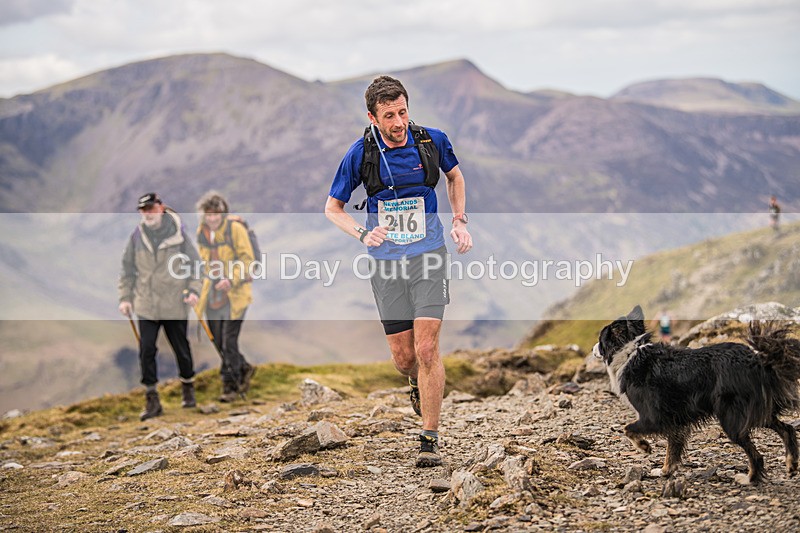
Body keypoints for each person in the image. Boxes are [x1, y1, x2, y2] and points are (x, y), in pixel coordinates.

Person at [324, 76, 473, 467]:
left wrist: (459, 220)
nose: (399, 122)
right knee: (405, 358)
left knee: (427, 349)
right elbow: (333, 208)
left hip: (429, 255)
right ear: (372, 117)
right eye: (389, 116)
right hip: (386, 263)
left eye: (403, 112)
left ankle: (429, 438)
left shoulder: (431, 141)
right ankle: (414, 380)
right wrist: (363, 234)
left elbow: (454, 176)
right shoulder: (360, 154)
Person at [118, 192, 202, 420]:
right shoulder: (136, 237)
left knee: (181, 349)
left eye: (150, 209)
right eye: (143, 210)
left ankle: (188, 389)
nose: (147, 214)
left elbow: (196, 266)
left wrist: (193, 290)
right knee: (146, 350)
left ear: (161, 208)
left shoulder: (179, 235)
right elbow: (127, 270)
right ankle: (152, 399)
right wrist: (125, 298)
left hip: (175, 302)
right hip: (146, 305)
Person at [195, 191, 256, 402]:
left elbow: (247, 260)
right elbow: (203, 263)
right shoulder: (202, 232)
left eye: (216, 214)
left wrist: (230, 279)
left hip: (235, 295)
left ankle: (231, 386)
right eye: (208, 214)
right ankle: (243, 368)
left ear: (223, 213)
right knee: (218, 341)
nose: (212, 218)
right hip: (212, 296)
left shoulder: (235, 230)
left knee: (228, 341)